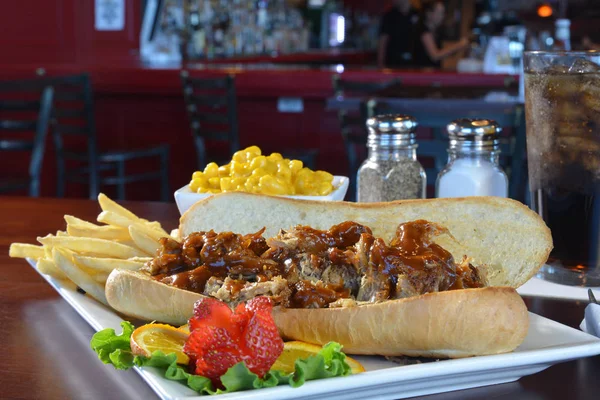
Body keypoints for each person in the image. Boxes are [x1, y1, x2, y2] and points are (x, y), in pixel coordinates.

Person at [412, 0, 470, 68]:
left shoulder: (436, 31)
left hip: (433, 72)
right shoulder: (424, 31)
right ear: (429, 14)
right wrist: (459, 45)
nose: (442, 16)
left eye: (443, 13)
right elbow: (435, 56)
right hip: (422, 75)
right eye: (439, 13)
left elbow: (442, 53)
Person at [377, 0, 419, 68]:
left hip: (415, 64)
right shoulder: (389, 16)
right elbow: (383, 41)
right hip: (393, 63)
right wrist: (380, 63)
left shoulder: (418, 14)